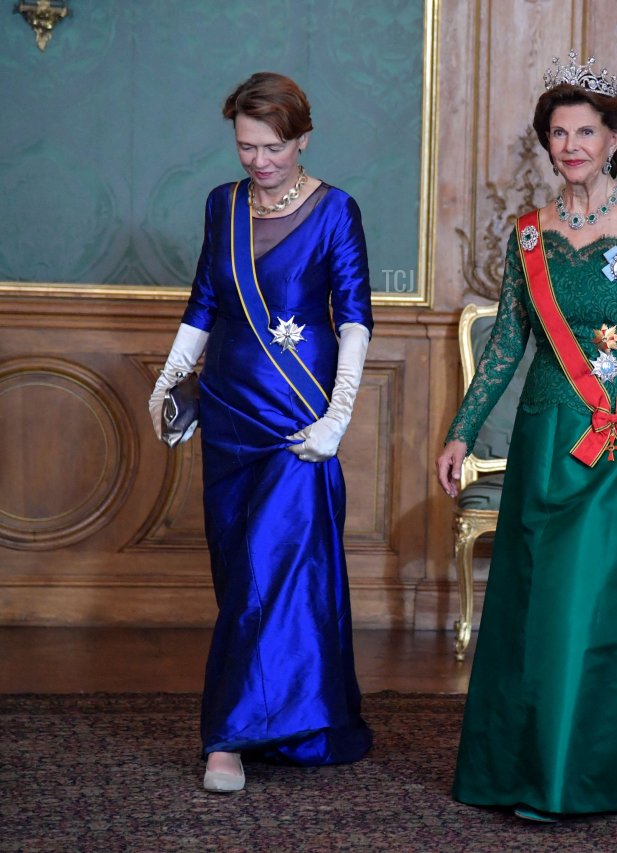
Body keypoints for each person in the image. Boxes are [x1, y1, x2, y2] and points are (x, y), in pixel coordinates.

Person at [435, 52, 617, 821]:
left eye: (587, 131)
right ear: (546, 143)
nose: (572, 145)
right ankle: (527, 763)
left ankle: (584, 773)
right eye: (559, 133)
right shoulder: (529, 237)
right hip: (549, 439)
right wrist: (460, 431)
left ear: (616, 138)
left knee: (595, 605)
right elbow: (506, 347)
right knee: (540, 604)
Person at [148, 72, 374, 792]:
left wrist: (338, 415)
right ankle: (295, 716)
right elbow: (205, 300)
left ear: (302, 138)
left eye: (273, 146)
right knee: (240, 571)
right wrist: (167, 381)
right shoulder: (224, 205)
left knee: (273, 574)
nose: (259, 161)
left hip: (300, 420)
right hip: (227, 413)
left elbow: (355, 319)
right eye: (246, 147)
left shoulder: (338, 211)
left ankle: (228, 739)